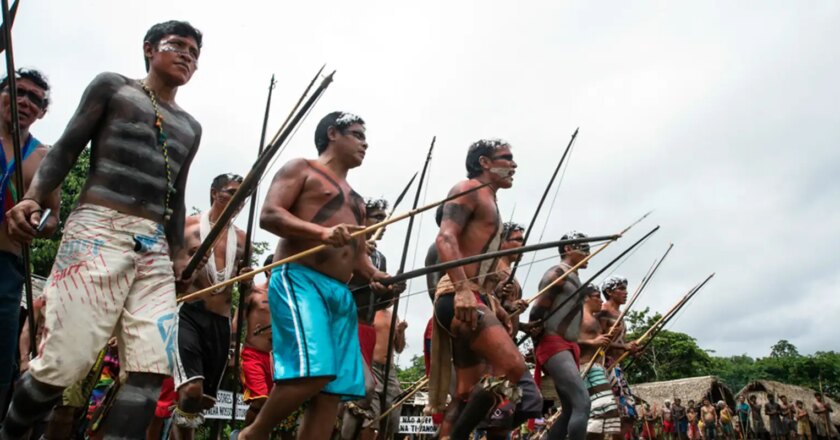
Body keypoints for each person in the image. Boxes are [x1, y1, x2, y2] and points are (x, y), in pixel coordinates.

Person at [2, 20, 203, 438]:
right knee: (63, 366)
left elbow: (177, 196)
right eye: (178, 45)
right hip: (97, 230)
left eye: (195, 52)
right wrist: (33, 197)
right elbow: (66, 148)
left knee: (150, 371)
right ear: (149, 48)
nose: (188, 55)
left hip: (154, 252)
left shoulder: (190, 127)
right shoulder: (113, 88)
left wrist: (179, 255)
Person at [239, 111, 395, 440]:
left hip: (340, 294)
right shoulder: (302, 168)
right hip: (300, 278)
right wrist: (320, 233)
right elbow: (269, 215)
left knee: (332, 390)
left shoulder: (357, 200)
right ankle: (253, 434)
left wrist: (377, 276)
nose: (365, 143)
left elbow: (359, 257)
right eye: (357, 134)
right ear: (332, 133)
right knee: (314, 371)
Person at [428, 138, 525, 440]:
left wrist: (492, 302)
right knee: (513, 367)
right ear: (484, 162)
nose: (514, 165)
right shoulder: (467, 189)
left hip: (474, 297)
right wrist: (462, 290)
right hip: (458, 299)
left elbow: (480, 269)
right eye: (506, 158)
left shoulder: (490, 200)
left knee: (466, 391)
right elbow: (446, 238)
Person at [170, 173, 248, 435]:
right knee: (191, 390)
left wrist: (246, 278)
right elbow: (170, 273)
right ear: (215, 193)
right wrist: (185, 267)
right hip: (188, 314)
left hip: (220, 322)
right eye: (232, 192)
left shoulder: (242, 239)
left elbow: (244, 286)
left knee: (201, 400)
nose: (238, 200)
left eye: (243, 195)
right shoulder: (189, 228)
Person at [0, 68, 59, 412]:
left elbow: (54, 216)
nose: (24, 102)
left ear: (42, 111)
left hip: (6, 268)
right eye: (17, 91)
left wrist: (36, 222)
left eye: (35, 99)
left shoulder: (43, 157)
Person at [340, 197, 400, 440]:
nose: (382, 225)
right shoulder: (345, 245)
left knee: (361, 396)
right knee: (361, 390)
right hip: (345, 325)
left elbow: (379, 303)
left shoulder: (379, 258)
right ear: (362, 219)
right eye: (377, 218)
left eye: (384, 220)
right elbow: (338, 285)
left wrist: (392, 291)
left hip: (367, 329)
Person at [528, 231, 593, 440]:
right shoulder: (557, 273)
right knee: (582, 402)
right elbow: (537, 311)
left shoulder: (573, 276)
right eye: (584, 247)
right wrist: (536, 338)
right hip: (554, 343)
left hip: (567, 345)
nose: (589, 253)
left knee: (568, 410)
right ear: (568, 248)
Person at [578, 285, 621, 439]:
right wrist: (592, 342)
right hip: (587, 368)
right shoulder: (579, 317)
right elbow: (568, 340)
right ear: (585, 298)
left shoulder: (594, 320)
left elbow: (600, 344)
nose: (601, 300)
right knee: (603, 410)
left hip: (598, 367)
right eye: (597, 296)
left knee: (607, 415)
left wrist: (609, 337)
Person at [598, 276, 639, 439]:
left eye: (625, 288)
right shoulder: (602, 311)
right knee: (613, 414)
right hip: (604, 366)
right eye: (620, 288)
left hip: (616, 366)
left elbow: (620, 341)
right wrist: (624, 347)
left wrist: (631, 348)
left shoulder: (620, 313)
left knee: (628, 414)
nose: (625, 292)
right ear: (609, 292)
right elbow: (598, 342)